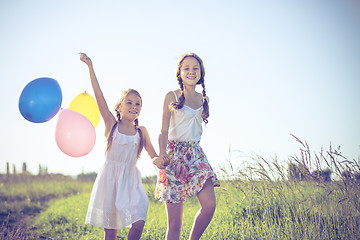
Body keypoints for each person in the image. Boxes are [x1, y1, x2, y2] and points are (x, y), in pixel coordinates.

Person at [80, 53, 167, 240]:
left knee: (139, 220)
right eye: (129, 102)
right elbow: (99, 96)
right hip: (110, 179)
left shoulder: (141, 131)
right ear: (118, 107)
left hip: (131, 182)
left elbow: (152, 154)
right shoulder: (112, 126)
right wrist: (90, 67)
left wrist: (159, 160)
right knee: (111, 229)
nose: (134, 106)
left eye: (138, 104)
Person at [155, 53, 220, 240]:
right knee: (175, 224)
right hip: (174, 155)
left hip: (196, 155)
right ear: (180, 72)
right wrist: (161, 154)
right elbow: (163, 130)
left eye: (195, 68)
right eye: (187, 68)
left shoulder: (204, 100)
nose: (191, 71)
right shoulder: (172, 96)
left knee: (209, 206)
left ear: (201, 72)